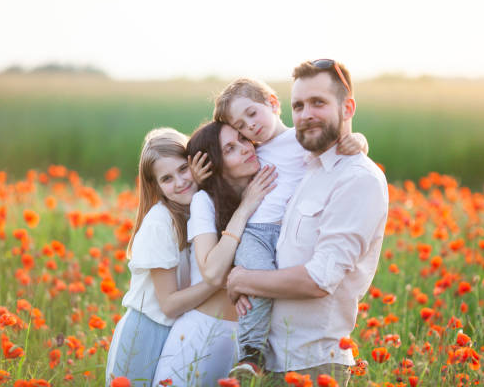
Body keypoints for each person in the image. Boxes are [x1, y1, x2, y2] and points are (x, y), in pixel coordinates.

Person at [226, 60, 389, 385]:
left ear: (347, 108)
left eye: (318, 103)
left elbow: (319, 280)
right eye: (298, 105)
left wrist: (241, 279)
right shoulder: (308, 166)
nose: (305, 114)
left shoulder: (357, 179)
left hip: (313, 366)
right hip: (271, 361)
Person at [152, 122, 277, 387]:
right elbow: (212, 271)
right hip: (202, 336)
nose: (245, 148)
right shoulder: (204, 201)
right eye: (231, 148)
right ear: (217, 164)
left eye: (244, 139)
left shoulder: (270, 188)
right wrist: (245, 209)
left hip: (245, 342)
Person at [105, 128, 220, 387]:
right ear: (155, 186)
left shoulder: (198, 209)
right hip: (147, 332)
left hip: (177, 330)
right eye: (167, 178)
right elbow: (168, 304)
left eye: (183, 169)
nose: (179, 182)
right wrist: (218, 282)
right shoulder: (160, 222)